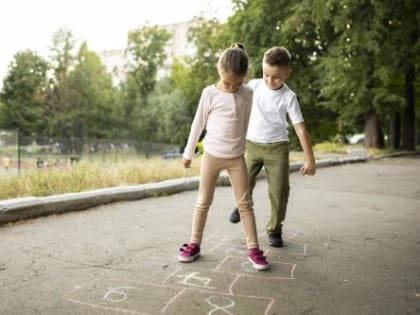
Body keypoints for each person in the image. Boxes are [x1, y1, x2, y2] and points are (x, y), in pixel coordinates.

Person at [178, 43, 270, 271]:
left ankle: (253, 248)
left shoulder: (248, 92)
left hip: (236, 157)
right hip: (212, 155)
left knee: (245, 204)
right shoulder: (209, 93)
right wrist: (188, 153)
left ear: (245, 77)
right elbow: (197, 124)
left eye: (237, 83)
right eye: (228, 83)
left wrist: (246, 146)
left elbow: (246, 121)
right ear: (219, 70)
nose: (231, 88)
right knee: (203, 202)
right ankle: (194, 243)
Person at [229, 46, 316, 248]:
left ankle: (275, 229)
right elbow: (234, 81)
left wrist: (310, 159)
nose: (269, 80)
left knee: (279, 191)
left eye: (276, 77)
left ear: (287, 73)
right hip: (251, 144)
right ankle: (240, 206)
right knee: (243, 182)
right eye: (266, 74)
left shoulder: (289, 97)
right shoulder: (255, 85)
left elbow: (301, 130)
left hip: (277, 148)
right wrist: (238, 54)